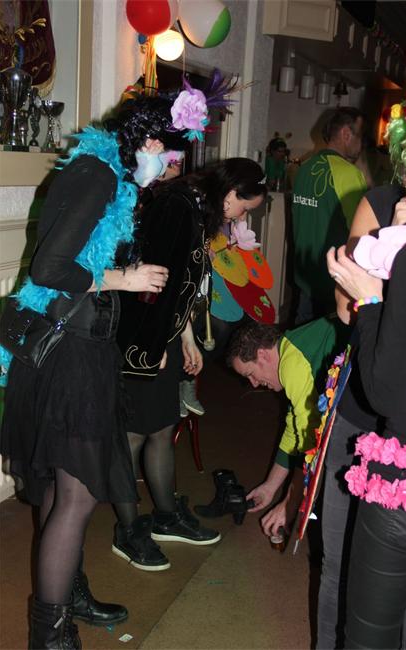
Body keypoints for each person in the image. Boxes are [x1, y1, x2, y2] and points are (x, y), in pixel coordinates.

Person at [0, 91, 193, 648]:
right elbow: (50, 266)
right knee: (78, 494)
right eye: (169, 154)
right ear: (148, 140)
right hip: (72, 357)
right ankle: (50, 635)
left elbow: (78, 253)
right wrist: (123, 279)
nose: (170, 166)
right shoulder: (99, 175)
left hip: (78, 349)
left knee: (64, 490)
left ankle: (66, 593)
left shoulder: (103, 171)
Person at [112, 156, 267, 570]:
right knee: (133, 435)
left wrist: (184, 337)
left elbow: (183, 283)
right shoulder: (177, 205)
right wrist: (154, 340)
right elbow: (151, 280)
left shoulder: (196, 208)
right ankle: (128, 530)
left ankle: (166, 516)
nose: (240, 217)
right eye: (244, 207)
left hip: (163, 334)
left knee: (163, 426)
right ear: (231, 192)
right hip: (143, 335)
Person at [326, 69, 406, 649]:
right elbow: (344, 306)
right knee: (348, 574)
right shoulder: (384, 206)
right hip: (377, 416)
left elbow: (361, 307)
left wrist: (380, 290)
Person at [226, 318, 349, 539]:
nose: (253, 383)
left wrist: (289, 504)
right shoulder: (291, 348)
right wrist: (269, 487)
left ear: (263, 354)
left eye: (250, 373)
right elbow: (294, 430)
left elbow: (310, 441)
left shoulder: (292, 363)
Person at [291, 107, 367, 324]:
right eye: (361, 137)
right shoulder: (349, 173)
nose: (362, 144)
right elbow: (361, 233)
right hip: (334, 279)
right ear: (346, 134)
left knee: (302, 332)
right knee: (330, 337)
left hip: (305, 271)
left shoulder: (304, 168)